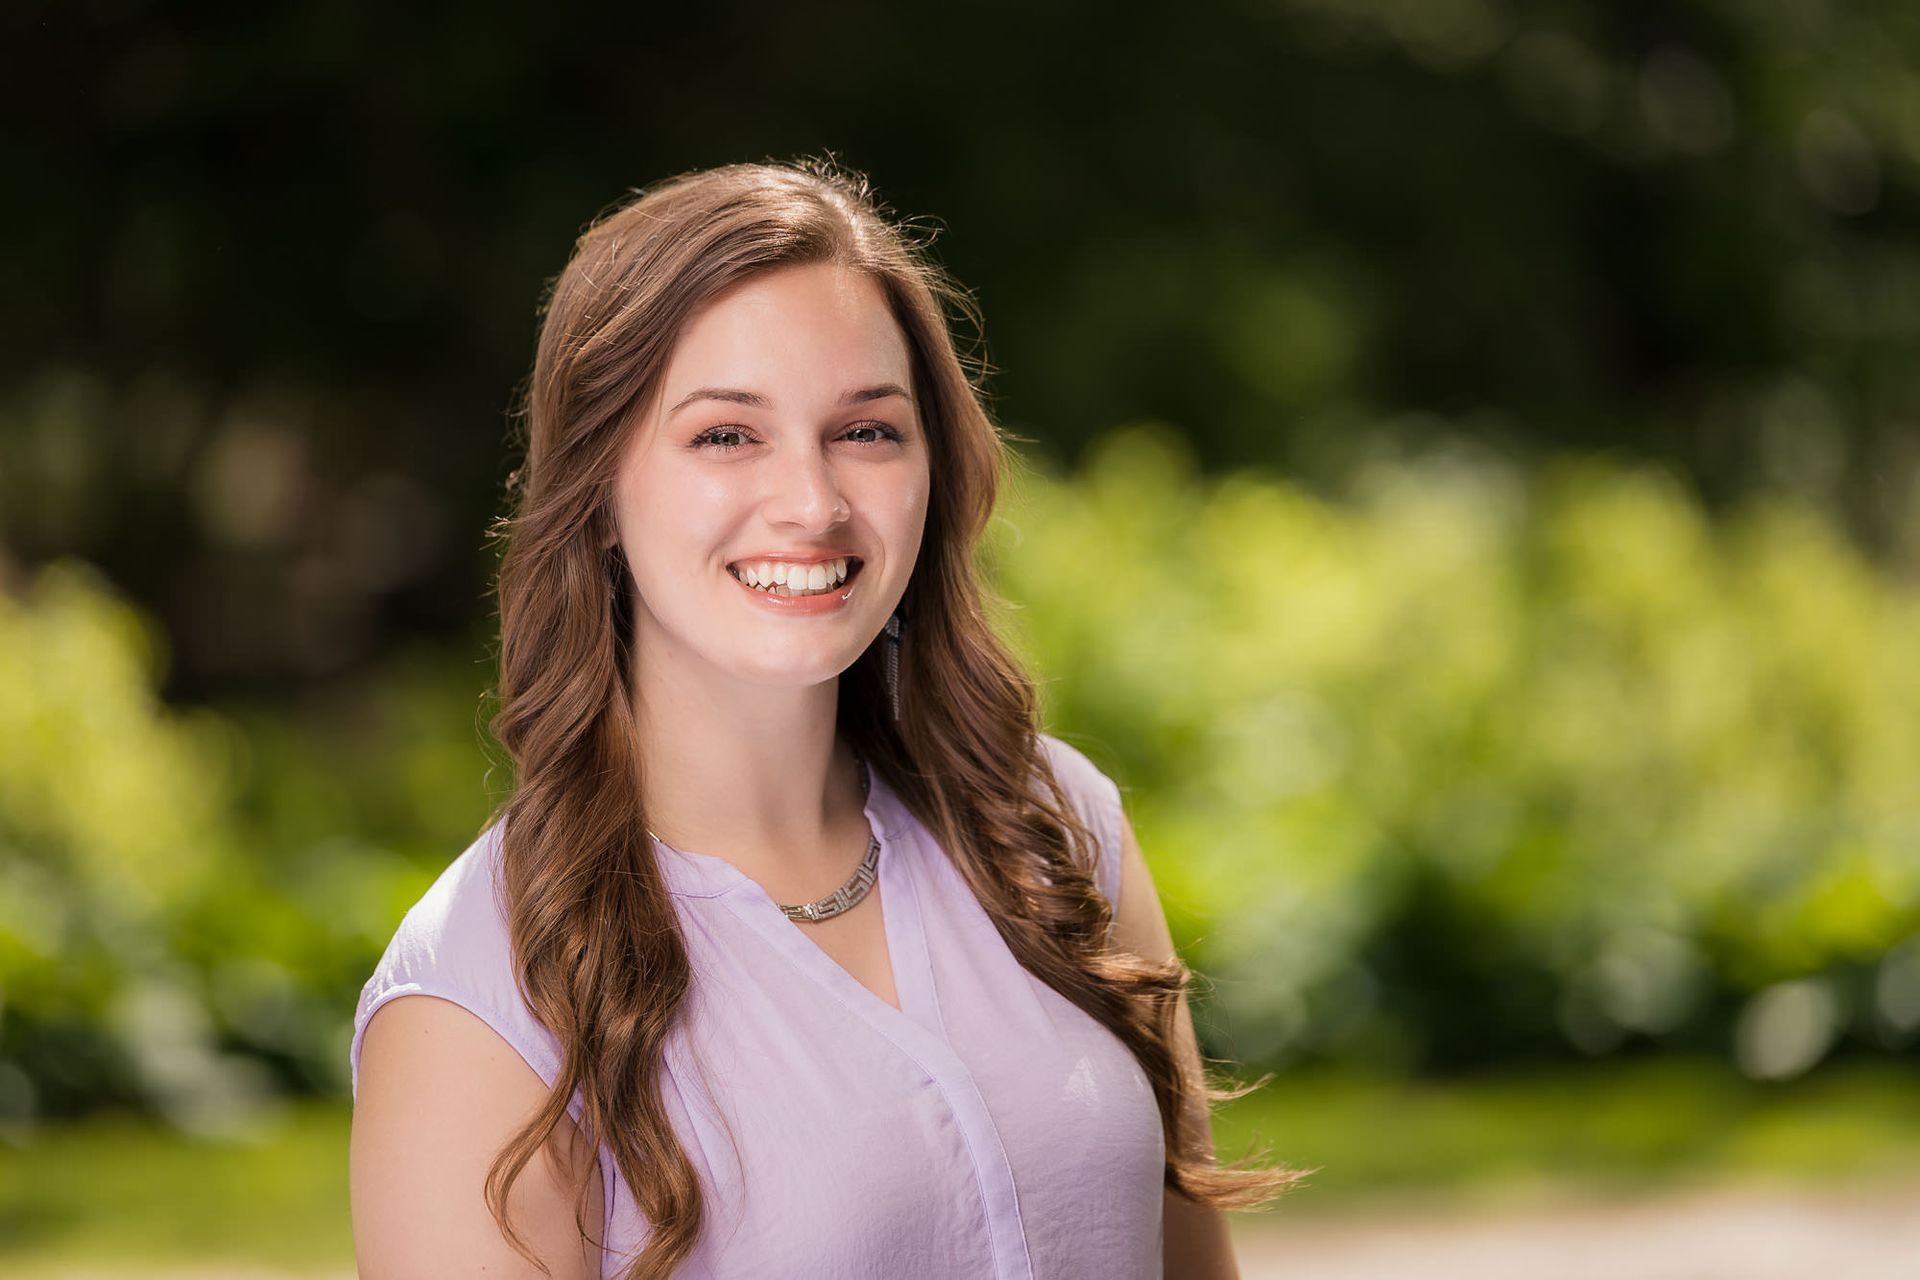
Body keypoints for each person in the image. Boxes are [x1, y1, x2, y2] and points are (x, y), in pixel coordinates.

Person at [347, 157, 1305, 1279]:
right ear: (598, 491)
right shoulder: (480, 996)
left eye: (867, 430)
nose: (811, 501)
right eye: (724, 435)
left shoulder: (1056, 829)